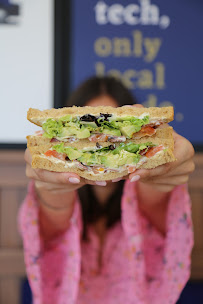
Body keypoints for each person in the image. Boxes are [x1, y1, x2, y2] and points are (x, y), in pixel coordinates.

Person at [19, 76, 195, 304]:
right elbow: (52, 224)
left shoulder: (147, 194)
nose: (99, 140)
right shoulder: (55, 193)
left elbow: (156, 201)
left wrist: (160, 166)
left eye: (110, 123)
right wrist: (52, 183)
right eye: (88, 124)